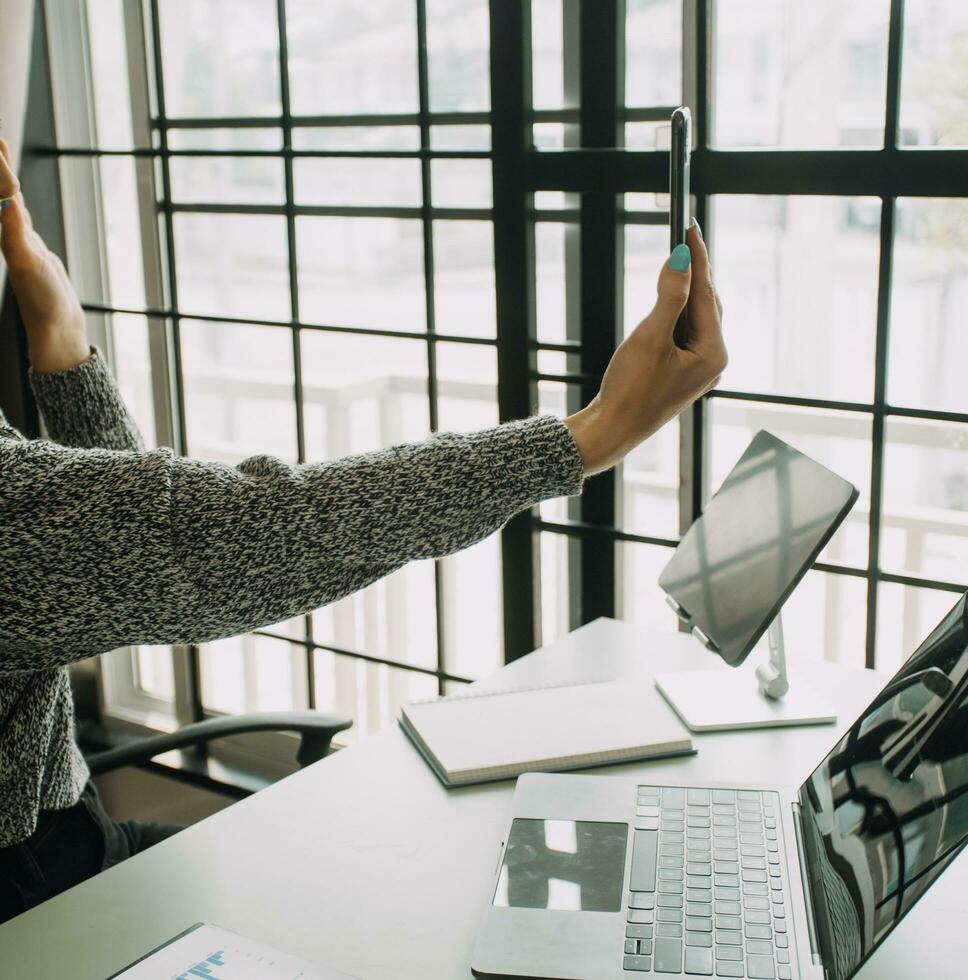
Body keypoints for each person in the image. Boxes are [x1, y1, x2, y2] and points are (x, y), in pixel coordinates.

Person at [0, 137, 725, 923]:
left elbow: (120, 549)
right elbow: (232, 541)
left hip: (70, 834)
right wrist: (588, 436)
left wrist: (64, 343)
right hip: (32, 886)